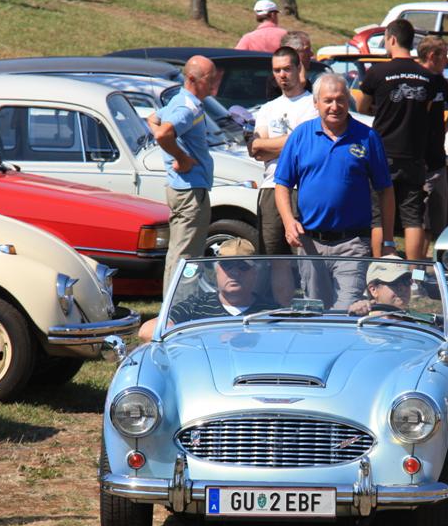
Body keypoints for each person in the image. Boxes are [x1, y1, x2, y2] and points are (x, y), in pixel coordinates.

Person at [274, 74, 395, 310]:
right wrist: (289, 223)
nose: (335, 106)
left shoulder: (367, 137)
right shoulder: (301, 135)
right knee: (314, 310)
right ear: (316, 103)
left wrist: (388, 240)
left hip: (353, 243)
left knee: (346, 310)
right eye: (328, 100)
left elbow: (386, 190)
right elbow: (282, 185)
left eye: (340, 100)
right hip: (310, 242)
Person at [358, 18, 436, 260]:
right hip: (413, 154)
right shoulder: (427, 77)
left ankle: (379, 273)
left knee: (379, 216)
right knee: (413, 216)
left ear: (391, 39)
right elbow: (429, 109)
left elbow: (361, 106)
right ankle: (414, 278)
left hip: (383, 154)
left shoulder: (377, 72)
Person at [251, 46, 318, 304]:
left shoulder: (312, 105)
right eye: (277, 70)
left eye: (287, 69)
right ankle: (284, 309)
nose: (282, 75)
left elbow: (304, 144)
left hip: (302, 189)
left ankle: (313, 309)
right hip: (270, 188)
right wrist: (290, 141)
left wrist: (273, 145)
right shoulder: (267, 108)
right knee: (276, 258)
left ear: (298, 67)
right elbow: (256, 149)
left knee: (305, 255)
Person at [147, 55, 218, 287]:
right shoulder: (186, 108)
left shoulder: (181, 101)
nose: (214, 84)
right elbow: (162, 133)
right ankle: (178, 311)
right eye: (210, 79)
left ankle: (174, 307)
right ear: (192, 79)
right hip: (190, 192)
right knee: (187, 257)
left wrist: (175, 155)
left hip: (183, 188)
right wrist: (181, 157)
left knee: (179, 252)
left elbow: (152, 119)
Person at [136, 238, 272, 341]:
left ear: (254, 273)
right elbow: (146, 330)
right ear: (217, 270)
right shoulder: (196, 306)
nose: (235, 273)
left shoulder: (271, 310)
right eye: (228, 266)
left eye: (242, 267)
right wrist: (200, 341)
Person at [416, 35, 448, 254]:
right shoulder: (421, 80)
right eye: (444, 55)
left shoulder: (440, 80)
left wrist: (445, 127)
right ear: (432, 56)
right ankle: (418, 272)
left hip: (438, 160)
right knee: (421, 224)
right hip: (421, 161)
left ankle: (435, 269)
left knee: (439, 223)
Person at [347, 256, 413, 316]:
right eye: (394, 283)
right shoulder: (363, 321)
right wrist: (356, 310)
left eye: (406, 282)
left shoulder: (419, 320)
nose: (403, 288)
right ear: (373, 290)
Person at [264, 30, 313, 101]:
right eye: (307, 49)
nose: (311, 54)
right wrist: (301, 83)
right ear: (294, 52)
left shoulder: (306, 79)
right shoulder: (277, 79)